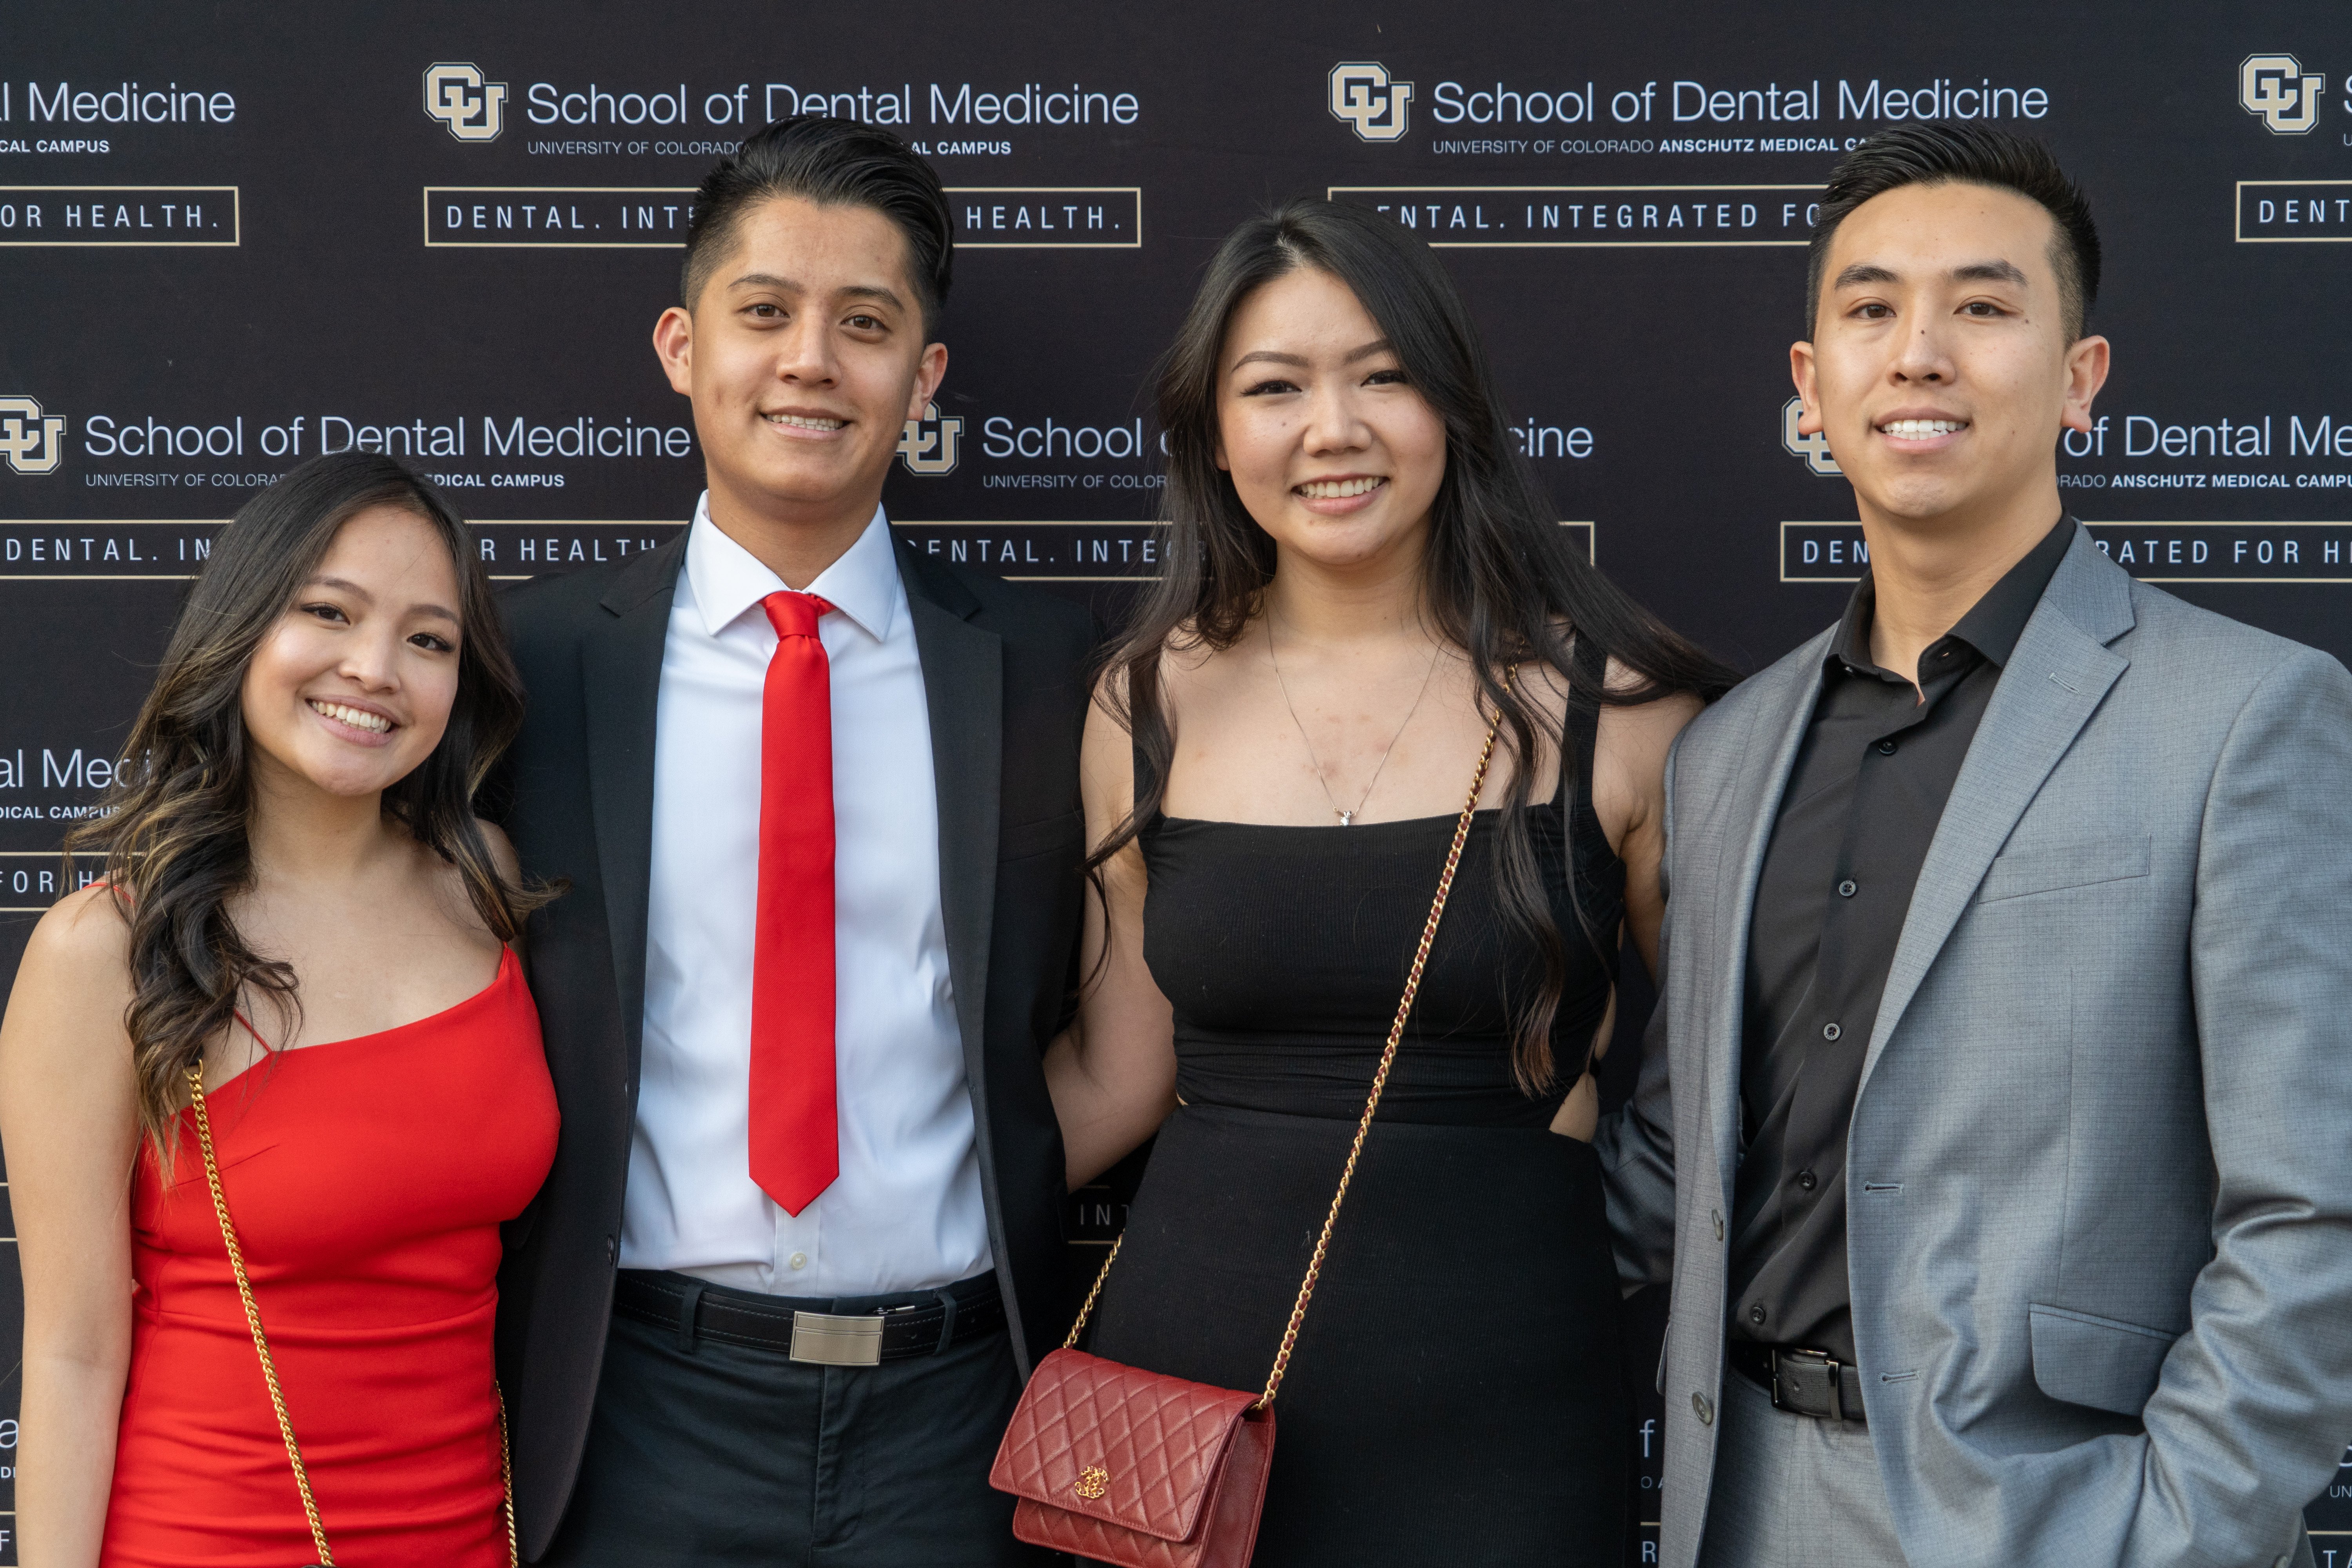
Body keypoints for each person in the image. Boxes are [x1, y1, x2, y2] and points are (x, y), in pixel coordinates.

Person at [1598, 122, 2352, 1568]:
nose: (1922, 351)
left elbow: (2311, 1209)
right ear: (1813, 389)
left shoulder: (2249, 714)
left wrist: (2162, 1538)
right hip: (1732, 1498)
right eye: (1871, 309)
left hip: (2051, 1518)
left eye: (1986, 307)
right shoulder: (1725, 753)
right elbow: (1672, 1157)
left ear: (2083, 381)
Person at [1041, 198, 1729, 1564]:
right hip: (1188, 1402)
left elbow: (1724, 1088)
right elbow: (1122, 1076)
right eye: (1275, 387)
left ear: (1453, 407)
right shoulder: (1143, 704)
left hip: (1508, 1403)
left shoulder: (1625, 713)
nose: (1332, 428)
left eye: (1383, 375)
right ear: (1214, 433)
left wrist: (1583, 1225)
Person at [490, 114, 1091, 1567]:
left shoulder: (1051, 670)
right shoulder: (531, 670)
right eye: (765, 313)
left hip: (962, 1421)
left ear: (924, 376)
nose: (811, 361)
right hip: (633, 1409)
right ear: (684, 346)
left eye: (866, 324)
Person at [0, 452, 554, 1568]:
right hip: (209, 1539)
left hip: (472, 1543)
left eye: (428, 639)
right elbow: (70, 1352)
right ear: (245, 626)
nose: (375, 668)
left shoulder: (486, 883)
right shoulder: (105, 952)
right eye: (328, 612)